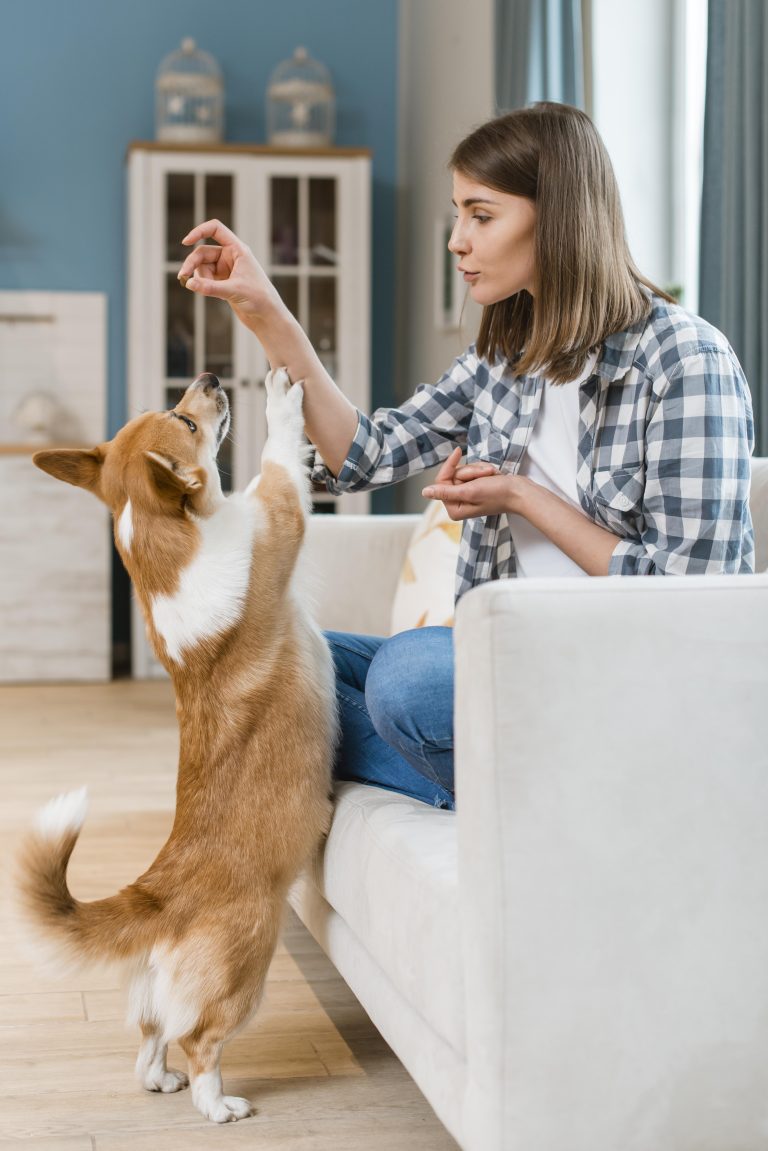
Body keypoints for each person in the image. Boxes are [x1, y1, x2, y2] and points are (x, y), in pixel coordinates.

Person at [177, 101, 754, 812]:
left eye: (481, 216)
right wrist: (265, 308)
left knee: (409, 681)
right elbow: (364, 453)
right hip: (511, 660)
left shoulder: (685, 359)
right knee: (258, 655)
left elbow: (688, 596)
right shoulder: (507, 357)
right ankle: (512, 783)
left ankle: (566, 791)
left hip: (623, 681)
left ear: (560, 215)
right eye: (459, 215)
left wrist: (520, 495)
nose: (457, 241)